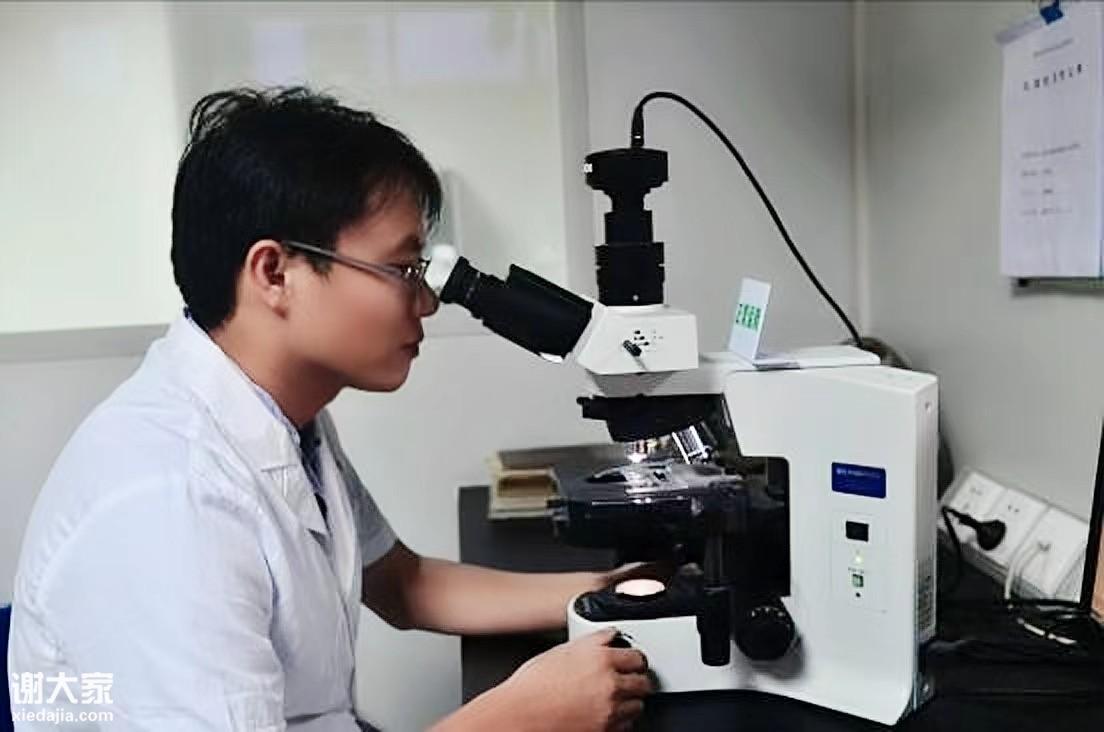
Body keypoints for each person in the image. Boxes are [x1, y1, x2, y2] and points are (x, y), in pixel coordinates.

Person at [9, 87, 653, 731]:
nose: (427, 303)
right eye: (402, 270)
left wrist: (610, 590)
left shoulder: (285, 418)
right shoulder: (167, 500)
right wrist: (526, 713)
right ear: (274, 273)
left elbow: (404, 584)